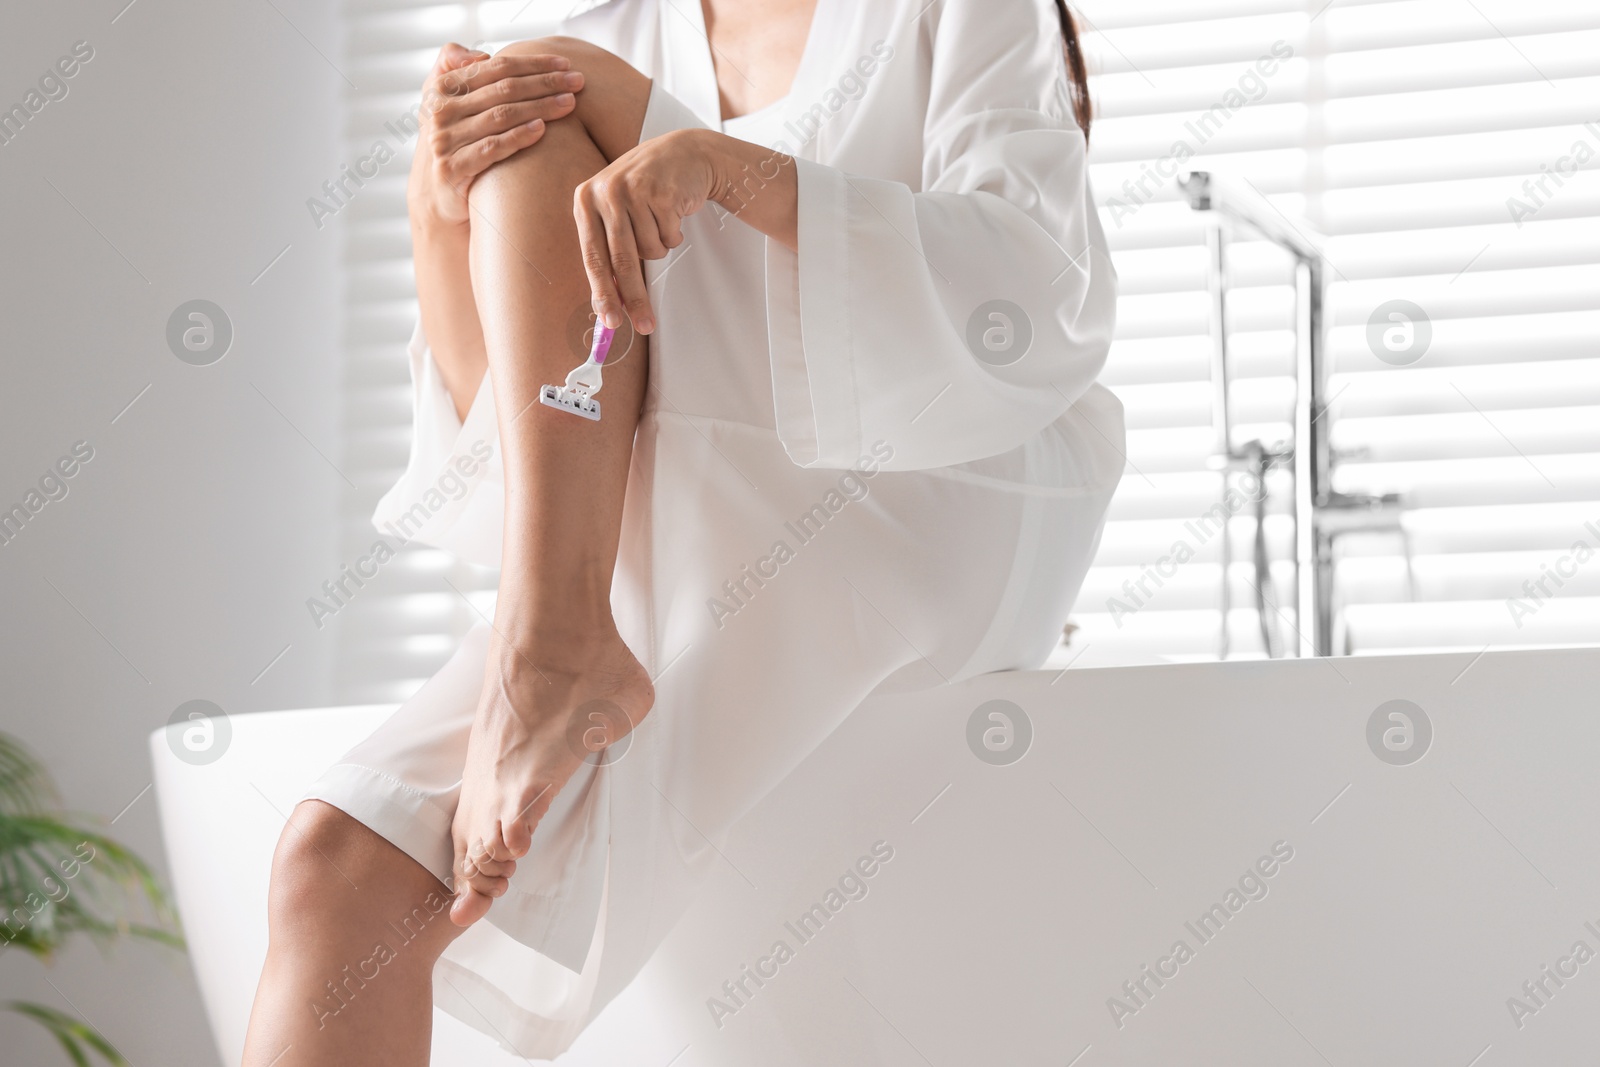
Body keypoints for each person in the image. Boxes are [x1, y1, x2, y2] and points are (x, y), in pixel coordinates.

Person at [242, 0, 1122, 1062]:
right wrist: (439, 212)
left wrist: (716, 162)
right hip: (674, 503)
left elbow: (1029, 288)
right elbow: (512, 419)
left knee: (550, 82)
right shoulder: (607, 25)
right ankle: (559, 639)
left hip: (939, 478)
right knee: (335, 865)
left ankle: (555, 646)